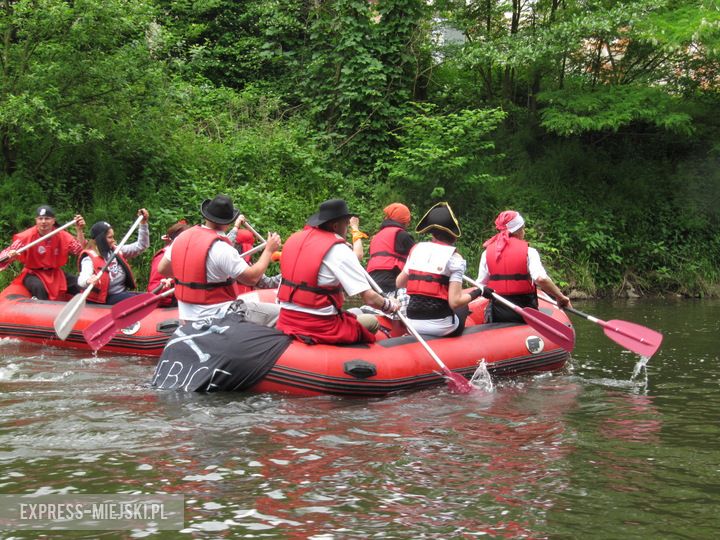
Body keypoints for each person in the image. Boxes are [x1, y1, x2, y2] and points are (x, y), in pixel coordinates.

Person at [276, 198, 399, 345]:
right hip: (319, 326)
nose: (347, 228)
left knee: (351, 315)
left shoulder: (294, 239)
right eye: (346, 224)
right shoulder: (339, 249)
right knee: (371, 323)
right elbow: (370, 298)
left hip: (285, 320)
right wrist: (390, 305)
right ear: (335, 226)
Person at [157, 194, 282, 324]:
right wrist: (268, 250)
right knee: (280, 314)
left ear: (206, 216)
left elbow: (163, 269)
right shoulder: (221, 248)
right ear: (228, 223)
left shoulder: (181, 238)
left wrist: (190, 276)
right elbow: (252, 278)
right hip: (218, 314)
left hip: (186, 315)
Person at [396, 202, 480, 337]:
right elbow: (455, 302)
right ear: (453, 234)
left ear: (432, 233)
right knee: (463, 308)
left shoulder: (416, 249)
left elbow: (399, 283)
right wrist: (478, 292)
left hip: (412, 323)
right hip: (441, 327)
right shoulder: (455, 258)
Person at [477, 210, 570, 323]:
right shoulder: (529, 252)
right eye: (523, 228)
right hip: (525, 313)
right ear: (518, 231)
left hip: (498, 313)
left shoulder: (486, 253)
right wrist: (560, 296)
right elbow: (540, 278)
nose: (524, 232)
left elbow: (480, 284)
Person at [0, 205, 86, 300]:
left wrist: (79, 230)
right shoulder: (27, 236)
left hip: (55, 273)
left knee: (79, 283)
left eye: (47, 218)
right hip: (33, 274)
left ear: (53, 221)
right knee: (39, 288)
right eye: (40, 219)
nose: (43, 222)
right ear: (36, 220)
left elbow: (79, 249)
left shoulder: (62, 235)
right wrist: (11, 255)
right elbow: (7, 254)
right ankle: (44, 312)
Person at [77, 209, 151, 305]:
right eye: (110, 237)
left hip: (121, 293)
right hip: (105, 298)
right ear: (101, 239)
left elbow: (142, 245)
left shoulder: (116, 250)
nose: (114, 241)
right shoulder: (89, 258)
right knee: (141, 301)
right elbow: (81, 280)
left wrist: (143, 224)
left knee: (148, 297)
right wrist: (88, 281)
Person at [366, 202, 415, 293]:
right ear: (404, 220)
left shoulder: (377, 236)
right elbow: (418, 257)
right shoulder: (402, 235)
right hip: (391, 279)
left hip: (372, 281)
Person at [147, 219, 191, 306]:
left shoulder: (187, 254)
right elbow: (153, 287)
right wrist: (171, 284)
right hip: (167, 302)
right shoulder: (161, 257)